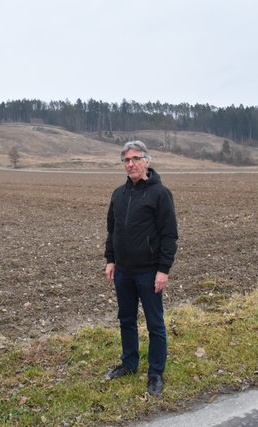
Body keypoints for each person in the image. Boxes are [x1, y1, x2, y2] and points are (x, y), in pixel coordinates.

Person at [104, 141, 178, 395]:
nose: (131, 164)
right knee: (126, 320)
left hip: (149, 272)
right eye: (126, 160)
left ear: (147, 161)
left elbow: (169, 236)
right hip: (124, 271)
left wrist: (163, 270)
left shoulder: (160, 194)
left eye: (135, 159)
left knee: (155, 323)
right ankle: (129, 364)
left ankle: (156, 373)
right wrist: (110, 259)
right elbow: (112, 230)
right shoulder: (118, 194)